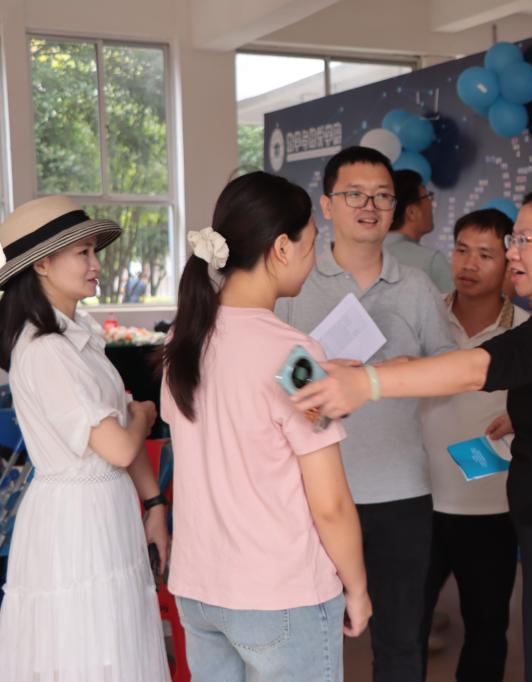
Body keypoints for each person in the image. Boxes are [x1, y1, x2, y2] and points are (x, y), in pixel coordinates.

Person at [292, 185, 532, 682]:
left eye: (524, 240)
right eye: (511, 240)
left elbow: (473, 369)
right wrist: (529, 415)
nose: (512, 253)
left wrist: (367, 383)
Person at [161, 172, 370, 681]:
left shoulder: (182, 340)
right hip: (279, 593)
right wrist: (358, 586)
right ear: (281, 247)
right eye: (311, 245)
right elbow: (330, 503)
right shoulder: (294, 354)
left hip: (200, 591)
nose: (313, 259)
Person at [276, 147, 455, 682]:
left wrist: (397, 373)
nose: (369, 206)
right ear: (327, 205)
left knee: (401, 640)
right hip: (309, 489)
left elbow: (451, 373)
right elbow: (265, 371)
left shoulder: (417, 287)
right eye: (355, 194)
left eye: (382, 196)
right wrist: (319, 378)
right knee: (304, 638)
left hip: (400, 489)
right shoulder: (295, 281)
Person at [0, 196, 170, 681]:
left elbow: (117, 433)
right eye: (84, 253)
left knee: (117, 640)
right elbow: (119, 444)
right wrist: (144, 415)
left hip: (107, 509)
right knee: (87, 649)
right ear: (42, 265)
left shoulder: (79, 337)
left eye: (95, 251)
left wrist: (154, 503)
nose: (96, 264)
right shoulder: (45, 350)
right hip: (74, 521)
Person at [418, 208, 529, 681]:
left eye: (485, 254)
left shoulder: (527, 330)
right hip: (419, 498)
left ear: (508, 262)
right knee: (405, 624)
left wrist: (525, 415)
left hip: (491, 507)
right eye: (462, 250)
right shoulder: (425, 318)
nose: (469, 264)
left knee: (486, 627)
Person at [384, 169, 453, 293]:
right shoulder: (431, 262)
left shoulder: (362, 256)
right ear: (412, 212)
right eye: (428, 197)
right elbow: (458, 304)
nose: (431, 204)